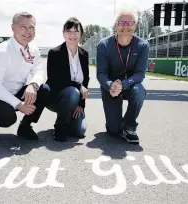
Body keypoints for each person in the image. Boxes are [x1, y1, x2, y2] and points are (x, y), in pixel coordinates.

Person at [0, 12, 50, 141]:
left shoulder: (34, 49)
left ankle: (25, 127)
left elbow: (38, 71)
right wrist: (18, 105)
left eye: (31, 27)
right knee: (8, 117)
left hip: (17, 92)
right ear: (13, 28)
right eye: (23, 27)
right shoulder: (2, 51)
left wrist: (33, 85)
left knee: (44, 90)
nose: (28, 31)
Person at [96, 9, 149, 144]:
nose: (125, 26)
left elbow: (140, 74)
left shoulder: (143, 45)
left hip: (130, 85)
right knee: (113, 130)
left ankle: (130, 126)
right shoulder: (104, 45)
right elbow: (101, 74)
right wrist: (110, 85)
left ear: (136, 26)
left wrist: (123, 84)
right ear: (115, 25)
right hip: (110, 87)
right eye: (121, 22)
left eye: (130, 22)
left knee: (139, 90)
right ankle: (117, 123)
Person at [46, 17, 90, 142]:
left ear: (81, 34)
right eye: (69, 31)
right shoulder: (54, 53)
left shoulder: (84, 54)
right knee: (73, 91)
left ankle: (67, 116)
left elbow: (85, 80)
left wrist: (81, 105)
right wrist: (78, 86)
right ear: (63, 33)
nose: (72, 34)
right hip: (57, 98)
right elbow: (55, 79)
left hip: (75, 99)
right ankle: (60, 127)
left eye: (76, 31)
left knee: (79, 131)